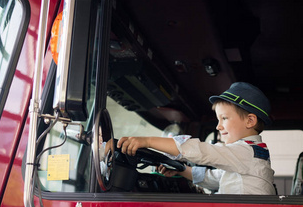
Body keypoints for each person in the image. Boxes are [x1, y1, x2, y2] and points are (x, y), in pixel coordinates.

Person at [116, 82, 276, 195]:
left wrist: (148, 142)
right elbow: (214, 179)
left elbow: (202, 151)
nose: (218, 126)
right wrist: (182, 170)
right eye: (218, 120)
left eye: (224, 119)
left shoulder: (246, 151)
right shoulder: (250, 152)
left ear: (250, 121)